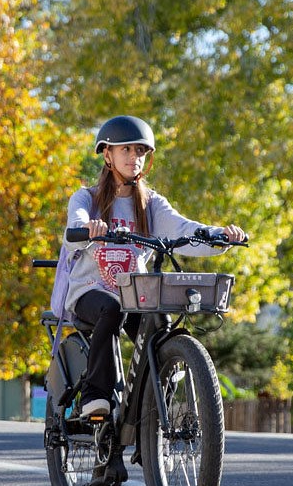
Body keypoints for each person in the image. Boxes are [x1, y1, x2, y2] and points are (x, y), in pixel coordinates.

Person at [61, 116, 246, 418]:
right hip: (90, 292)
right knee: (112, 308)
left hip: (134, 294)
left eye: (141, 151)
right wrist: (88, 228)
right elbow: (76, 225)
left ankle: (151, 412)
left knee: (161, 320)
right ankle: (96, 395)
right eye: (126, 150)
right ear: (107, 154)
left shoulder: (150, 204)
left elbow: (184, 229)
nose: (135, 158)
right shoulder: (87, 198)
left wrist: (219, 236)